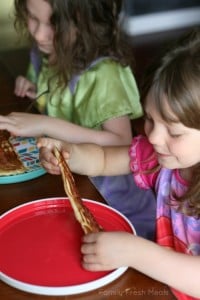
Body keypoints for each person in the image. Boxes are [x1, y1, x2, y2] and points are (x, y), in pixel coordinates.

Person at [37, 28, 200, 299]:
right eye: (149, 119)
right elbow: (102, 160)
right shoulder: (162, 157)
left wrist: (134, 251)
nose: (154, 137)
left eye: (173, 131)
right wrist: (69, 154)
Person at [0, 0, 156, 239]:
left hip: (115, 204)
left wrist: (45, 124)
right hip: (73, 184)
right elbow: (56, 99)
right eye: (32, 18)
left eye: (54, 24)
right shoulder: (45, 51)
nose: (39, 34)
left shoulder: (105, 74)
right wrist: (35, 89)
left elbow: (121, 142)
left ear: (87, 23)